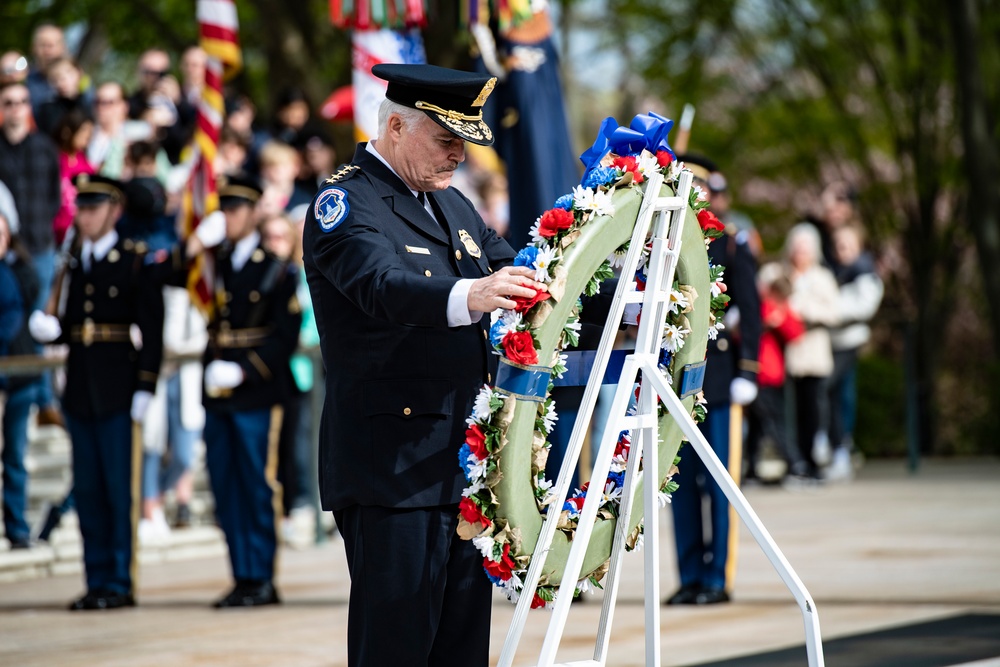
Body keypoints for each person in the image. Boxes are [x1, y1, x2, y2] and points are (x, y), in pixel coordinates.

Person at [301, 63, 546, 667]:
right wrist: (472, 295)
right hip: (393, 467)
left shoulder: (451, 205)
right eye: (446, 140)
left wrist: (623, 306)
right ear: (395, 126)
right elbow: (382, 286)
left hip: (459, 462)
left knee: (461, 649)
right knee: (398, 647)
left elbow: (524, 277)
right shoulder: (345, 202)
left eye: (464, 143)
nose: (457, 156)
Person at [27, 173, 164, 610]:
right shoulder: (73, 263)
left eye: (93, 207)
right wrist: (52, 331)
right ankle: (96, 576)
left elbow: (153, 332)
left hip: (119, 389)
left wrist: (145, 385)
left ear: (114, 210)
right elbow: (71, 323)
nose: (84, 216)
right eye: (81, 208)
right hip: (82, 391)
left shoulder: (134, 259)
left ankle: (120, 581)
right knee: (87, 490)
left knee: (116, 488)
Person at [182, 175, 301, 607]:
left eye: (235, 209)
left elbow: (283, 336)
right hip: (217, 390)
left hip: (257, 392)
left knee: (255, 484)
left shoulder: (275, 267)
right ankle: (240, 573)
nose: (228, 217)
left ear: (253, 214)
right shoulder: (211, 264)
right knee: (225, 483)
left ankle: (262, 576)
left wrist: (244, 371)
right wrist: (196, 245)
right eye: (223, 209)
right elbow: (173, 274)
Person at [666, 154, 761, 606]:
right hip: (676, 383)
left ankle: (718, 578)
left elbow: (753, 313)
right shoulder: (665, 243)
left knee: (719, 483)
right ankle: (689, 575)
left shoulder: (731, 244)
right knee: (679, 483)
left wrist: (749, 371)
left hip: (720, 382)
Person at [0, 81, 64, 428]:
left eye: (21, 101)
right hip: (8, 249)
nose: (15, 108)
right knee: (14, 320)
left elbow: (55, 194)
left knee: (38, 321)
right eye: (8, 102)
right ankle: (30, 394)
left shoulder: (43, 147)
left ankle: (44, 400)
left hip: (39, 244)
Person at [825, 223, 882, 480]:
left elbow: (863, 308)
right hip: (831, 343)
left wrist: (830, 311)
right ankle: (837, 447)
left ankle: (840, 447)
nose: (841, 248)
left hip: (849, 342)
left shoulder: (864, 272)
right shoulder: (834, 271)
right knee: (836, 396)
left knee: (836, 394)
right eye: (838, 243)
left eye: (847, 243)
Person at [783, 222, 840, 480]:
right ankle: (794, 462)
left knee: (814, 412)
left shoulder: (823, 277)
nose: (800, 254)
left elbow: (833, 312)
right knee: (789, 413)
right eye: (797, 249)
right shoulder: (780, 274)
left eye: (805, 249)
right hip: (787, 357)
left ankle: (813, 461)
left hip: (815, 356)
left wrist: (804, 310)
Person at [744, 263, 805, 482]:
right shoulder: (761, 306)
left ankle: (751, 468)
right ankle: (795, 463)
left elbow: (796, 333)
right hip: (760, 374)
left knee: (761, 425)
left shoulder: (781, 309)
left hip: (771, 375)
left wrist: (779, 318)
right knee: (770, 422)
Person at [1, 212, 38, 550]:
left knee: (14, 454)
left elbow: (17, 311)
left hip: (18, 376)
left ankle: (17, 526)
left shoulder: (19, 271)